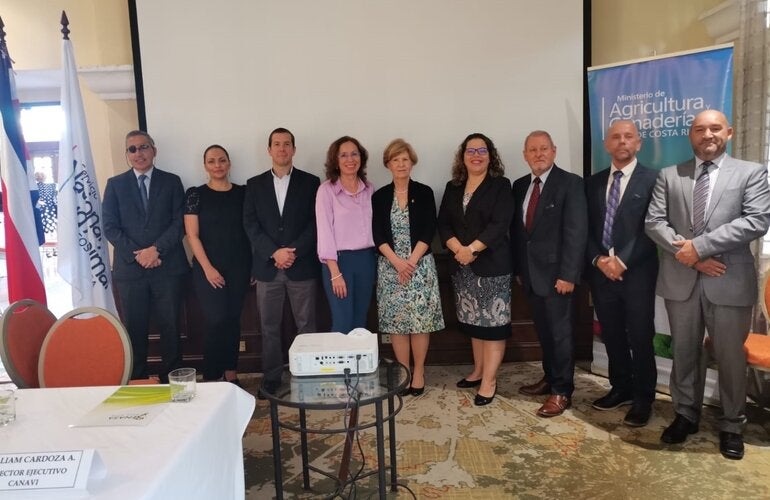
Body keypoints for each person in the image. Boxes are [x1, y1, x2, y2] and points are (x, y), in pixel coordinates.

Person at [645, 110, 770, 460]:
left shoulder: (751, 172)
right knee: (684, 352)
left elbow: (756, 220)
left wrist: (699, 247)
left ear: (729, 132)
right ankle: (685, 415)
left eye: (715, 128)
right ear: (691, 135)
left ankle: (732, 424)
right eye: (700, 129)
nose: (707, 134)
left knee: (730, 357)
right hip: (681, 279)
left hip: (729, 279)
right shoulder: (669, 175)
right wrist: (691, 256)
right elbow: (654, 222)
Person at [586, 120, 658, 427]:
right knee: (612, 333)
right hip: (602, 273)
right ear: (607, 144)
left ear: (638, 143)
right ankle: (621, 387)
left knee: (640, 336)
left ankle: (643, 398)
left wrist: (622, 261)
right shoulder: (592, 183)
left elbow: (653, 228)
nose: (622, 141)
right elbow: (585, 228)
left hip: (637, 273)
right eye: (615, 137)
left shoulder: (654, 179)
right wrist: (599, 260)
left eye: (629, 136)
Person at [103, 130, 189, 383]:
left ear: (154, 150)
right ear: (127, 154)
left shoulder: (172, 181)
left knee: (171, 326)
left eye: (143, 147)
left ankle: (173, 380)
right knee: (135, 328)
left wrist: (156, 250)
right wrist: (139, 255)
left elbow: (179, 223)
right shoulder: (115, 185)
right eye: (132, 149)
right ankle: (138, 380)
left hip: (167, 267)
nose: (138, 153)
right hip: (130, 270)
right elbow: (110, 227)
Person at [511, 130, 587, 417]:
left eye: (544, 148)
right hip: (531, 277)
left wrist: (568, 274)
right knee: (544, 332)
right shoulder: (520, 185)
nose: (538, 154)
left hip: (558, 277)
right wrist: (520, 270)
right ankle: (550, 377)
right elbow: (520, 233)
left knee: (560, 335)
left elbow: (576, 231)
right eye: (532, 150)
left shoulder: (570, 183)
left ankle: (562, 391)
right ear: (525, 155)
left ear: (554, 151)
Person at [438, 133, 513, 406]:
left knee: (492, 326)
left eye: (482, 150)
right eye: (471, 151)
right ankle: (479, 371)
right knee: (475, 324)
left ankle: (489, 381)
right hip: (462, 268)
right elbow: (443, 223)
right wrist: (458, 249)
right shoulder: (453, 186)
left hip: (492, 266)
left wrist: (472, 249)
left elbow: (500, 224)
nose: (476, 155)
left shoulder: (501, 185)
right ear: (463, 156)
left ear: (490, 156)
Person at [244, 128, 320, 397]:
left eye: (287, 144)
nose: (282, 149)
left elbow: (315, 223)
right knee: (269, 327)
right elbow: (250, 225)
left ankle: (308, 373)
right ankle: (272, 377)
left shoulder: (311, 182)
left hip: (301, 266)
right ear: (269, 150)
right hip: (268, 268)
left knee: (306, 325)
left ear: (294, 149)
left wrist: (292, 252)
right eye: (277, 144)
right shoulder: (254, 184)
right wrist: (274, 253)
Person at [372, 139, 444, 396]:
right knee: (397, 324)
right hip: (390, 268)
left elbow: (429, 228)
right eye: (396, 160)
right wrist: (397, 262)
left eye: (405, 159)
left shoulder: (424, 192)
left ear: (411, 162)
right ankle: (404, 371)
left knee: (420, 323)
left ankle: (419, 371)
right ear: (388, 164)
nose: (401, 164)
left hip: (419, 266)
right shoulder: (379, 196)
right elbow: (377, 233)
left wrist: (410, 263)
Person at [184, 145, 251, 385]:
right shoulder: (195, 194)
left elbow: (251, 230)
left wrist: (253, 266)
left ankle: (231, 373)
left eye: (222, 160)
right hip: (207, 269)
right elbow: (192, 235)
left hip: (239, 267)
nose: (217, 165)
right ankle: (212, 376)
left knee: (233, 319)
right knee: (216, 320)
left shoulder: (244, 193)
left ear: (229, 163)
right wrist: (208, 269)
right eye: (211, 161)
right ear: (205, 166)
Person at [316, 136, 376, 334]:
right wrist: (335, 273)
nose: (350, 159)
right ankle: (339, 358)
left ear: (361, 158)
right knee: (342, 321)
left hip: (366, 260)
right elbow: (324, 232)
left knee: (360, 322)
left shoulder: (369, 189)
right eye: (343, 155)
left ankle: (358, 357)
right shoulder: (326, 191)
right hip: (339, 263)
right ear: (335, 161)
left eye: (354, 154)